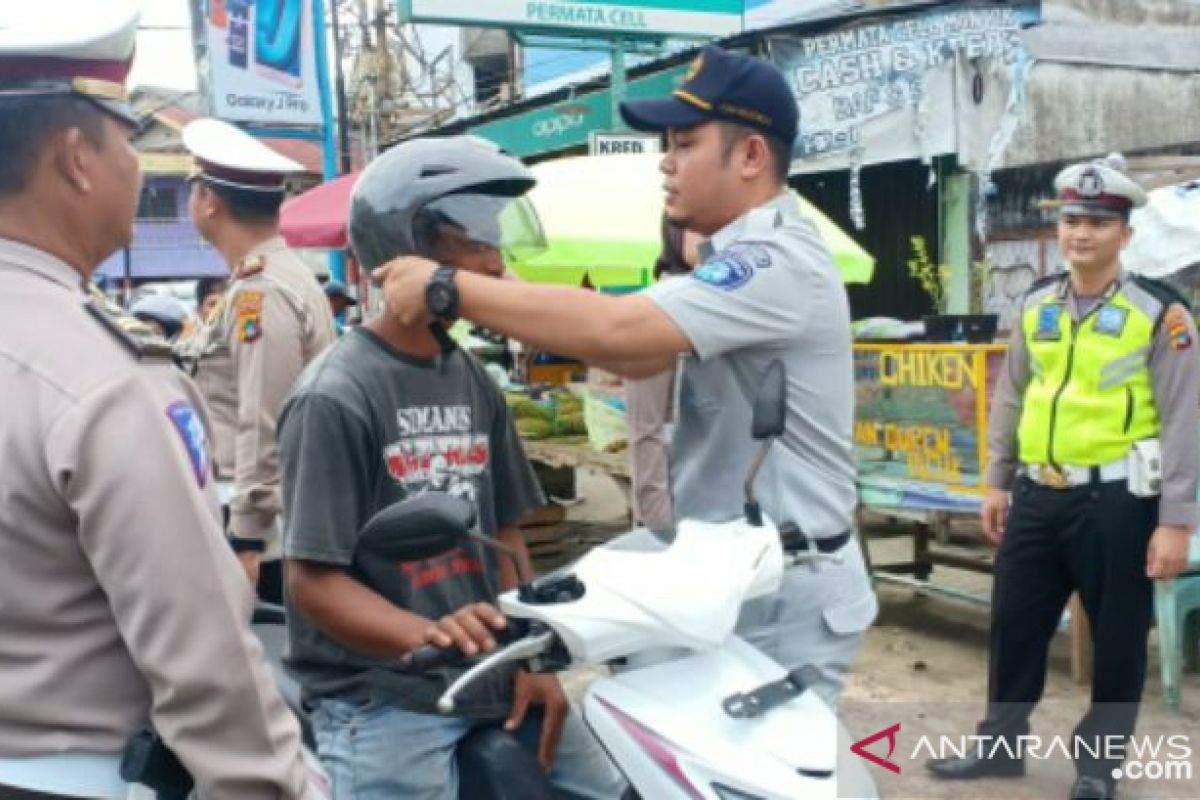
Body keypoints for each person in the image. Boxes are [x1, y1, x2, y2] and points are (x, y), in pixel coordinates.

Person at [376, 45, 878, 706]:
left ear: (751, 156)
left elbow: (623, 329)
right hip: (728, 570)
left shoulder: (774, 261)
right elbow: (636, 356)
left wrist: (448, 286)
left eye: (684, 143)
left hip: (783, 588)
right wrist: (503, 285)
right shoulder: (738, 258)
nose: (665, 162)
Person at [0, 3, 314, 797]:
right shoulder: (100, 373)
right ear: (76, 157)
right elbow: (204, 661)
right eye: (130, 142)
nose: (139, 171)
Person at [278, 135, 625, 799]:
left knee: (605, 788)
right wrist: (424, 632)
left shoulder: (470, 376)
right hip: (387, 699)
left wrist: (532, 652)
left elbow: (507, 531)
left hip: (487, 671)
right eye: (477, 244)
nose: (495, 266)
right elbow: (313, 582)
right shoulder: (335, 396)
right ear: (409, 249)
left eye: (497, 245)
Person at [926, 155, 1200, 800]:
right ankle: (1000, 746)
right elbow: (1013, 395)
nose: (1081, 234)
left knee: (1120, 639)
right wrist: (996, 480)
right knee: (1015, 623)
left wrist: (1177, 521)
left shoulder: (1162, 315)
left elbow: (1185, 421)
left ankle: (1099, 767)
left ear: (1124, 234)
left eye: (1097, 224)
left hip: (1119, 501)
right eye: (1072, 220)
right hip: (1038, 494)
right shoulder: (1036, 304)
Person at [178, 118, 337, 599]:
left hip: (263, 530)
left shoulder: (261, 292)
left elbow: (263, 419)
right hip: (269, 517)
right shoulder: (264, 281)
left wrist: (246, 536)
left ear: (209, 199)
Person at [624, 217, 698, 532]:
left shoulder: (725, 302)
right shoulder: (658, 309)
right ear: (674, 235)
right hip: (677, 496)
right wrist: (658, 521)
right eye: (698, 227)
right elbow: (645, 428)